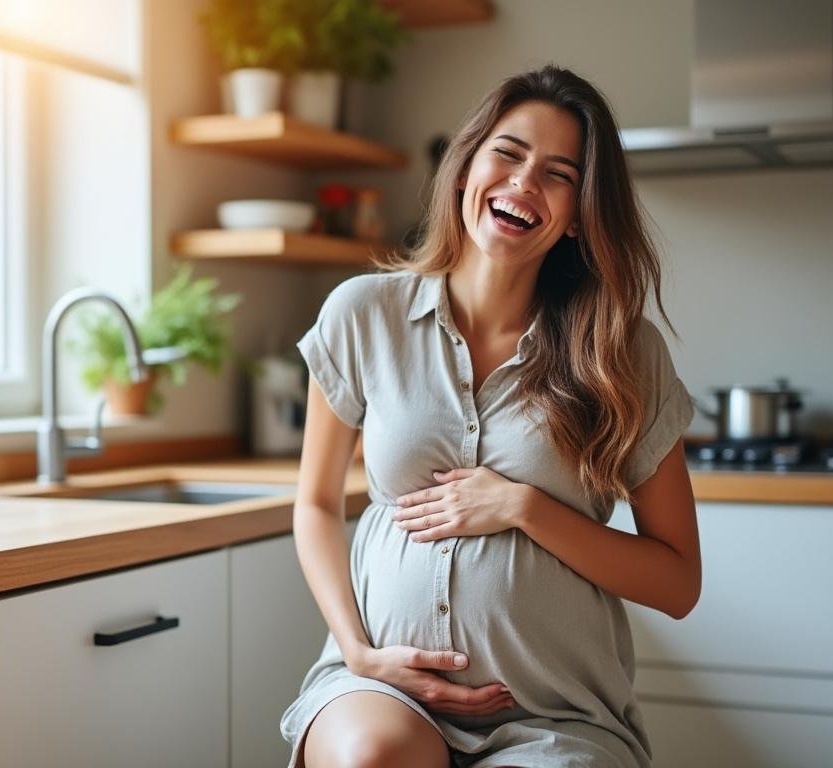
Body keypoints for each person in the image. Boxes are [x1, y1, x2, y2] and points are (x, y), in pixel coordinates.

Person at [280, 65, 701, 768]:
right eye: (508, 153)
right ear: (466, 167)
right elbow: (317, 503)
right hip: (381, 688)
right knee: (370, 759)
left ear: (577, 215)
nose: (525, 182)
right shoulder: (363, 314)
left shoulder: (622, 354)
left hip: (555, 714)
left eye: (559, 173)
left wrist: (523, 506)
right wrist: (358, 651)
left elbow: (678, 582)